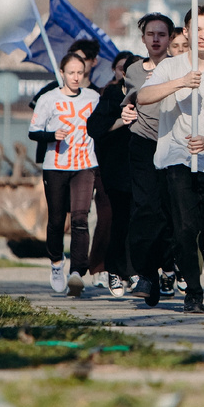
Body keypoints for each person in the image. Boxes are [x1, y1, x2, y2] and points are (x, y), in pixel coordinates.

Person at [137, 3, 204, 314]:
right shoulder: (170, 66)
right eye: (198, 29)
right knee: (183, 228)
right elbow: (143, 97)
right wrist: (181, 82)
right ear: (186, 32)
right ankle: (193, 294)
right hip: (177, 158)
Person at [29, 53, 100, 298]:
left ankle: (78, 272)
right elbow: (33, 132)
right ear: (62, 73)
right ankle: (57, 263)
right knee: (58, 219)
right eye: (71, 73)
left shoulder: (93, 97)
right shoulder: (49, 99)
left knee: (81, 217)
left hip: (85, 164)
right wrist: (52, 135)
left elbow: (103, 123)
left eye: (80, 73)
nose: (76, 77)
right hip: (56, 165)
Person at [124, 13, 181, 304]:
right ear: (143, 37)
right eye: (150, 34)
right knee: (145, 208)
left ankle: (168, 267)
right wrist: (125, 113)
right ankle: (145, 273)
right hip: (143, 142)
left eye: (162, 34)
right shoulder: (133, 71)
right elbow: (128, 104)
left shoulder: (180, 66)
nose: (156, 39)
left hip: (174, 142)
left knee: (170, 212)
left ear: (171, 38)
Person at [87, 52, 141, 297]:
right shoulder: (111, 94)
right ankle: (114, 270)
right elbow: (95, 128)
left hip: (145, 165)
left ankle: (138, 270)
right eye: (122, 70)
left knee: (141, 219)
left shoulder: (152, 93)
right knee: (118, 219)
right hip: (116, 168)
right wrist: (122, 120)